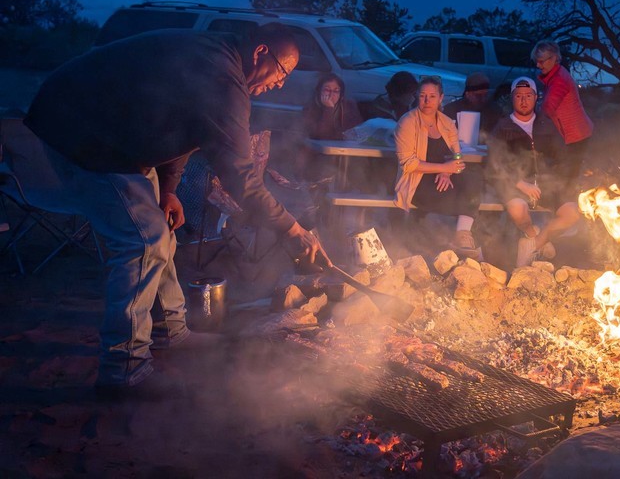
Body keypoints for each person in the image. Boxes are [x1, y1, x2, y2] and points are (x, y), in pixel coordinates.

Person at [4, 23, 329, 398]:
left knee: (162, 230)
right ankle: (124, 369)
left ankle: (169, 331)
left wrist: (169, 189)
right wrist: (292, 230)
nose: (280, 85)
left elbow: (186, 131)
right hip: (80, 133)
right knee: (143, 240)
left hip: (119, 139)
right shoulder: (222, 75)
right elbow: (241, 176)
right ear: (260, 53)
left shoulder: (219, 63)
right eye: (282, 73)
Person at [487, 78, 582, 268]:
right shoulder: (503, 127)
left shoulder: (546, 125)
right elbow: (494, 163)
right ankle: (532, 234)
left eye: (528, 96)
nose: (524, 100)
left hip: (547, 184)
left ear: (536, 97)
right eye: (519, 96)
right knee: (517, 208)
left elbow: (562, 157)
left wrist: (558, 180)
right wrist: (520, 183)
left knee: (572, 213)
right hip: (515, 185)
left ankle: (536, 242)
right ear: (512, 98)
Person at [393, 76, 483, 257]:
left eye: (432, 96)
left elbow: (457, 154)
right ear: (416, 96)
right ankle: (440, 245)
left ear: (441, 98)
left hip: (443, 176)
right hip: (418, 181)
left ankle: (462, 235)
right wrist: (443, 168)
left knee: (475, 179)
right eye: (423, 96)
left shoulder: (446, 122)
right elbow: (408, 164)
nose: (427, 101)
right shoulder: (407, 122)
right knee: (460, 200)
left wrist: (448, 172)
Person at [531, 41, 593, 194]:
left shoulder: (559, 80)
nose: (538, 65)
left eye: (541, 61)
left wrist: (527, 120)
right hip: (573, 132)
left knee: (568, 175)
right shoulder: (555, 74)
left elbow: (548, 108)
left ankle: (565, 205)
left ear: (554, 58)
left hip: (575, 134)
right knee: (566, 172)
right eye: (536, 61)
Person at [442, 71, 504, 143]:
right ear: (467, 94)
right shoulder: (451, 110)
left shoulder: (495, 110)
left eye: (485, 95)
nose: (483, 99)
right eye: (478, 96)